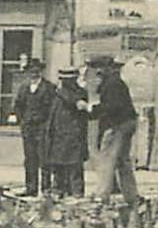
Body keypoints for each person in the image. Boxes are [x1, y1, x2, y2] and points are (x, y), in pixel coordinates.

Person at [88, 55, 139, 205]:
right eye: (96, 67)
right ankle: (131, 196)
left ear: (108, 68)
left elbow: (112, 108)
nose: (98, 71)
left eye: (100, 68)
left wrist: (92, 109)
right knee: (123, 162)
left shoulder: (111, 84)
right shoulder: (116, 82)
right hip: (127, 123)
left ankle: (102, 195)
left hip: (117, 125)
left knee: (107, 159)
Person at [10, 58, 55, 196]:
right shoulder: (24, 88)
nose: (33, 73)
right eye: (31, 70)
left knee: (44, 159)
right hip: (28, 129)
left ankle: (46, 189)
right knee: (30, 159)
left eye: (36, 70)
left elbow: (53, 109)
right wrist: (22, 121)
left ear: (41, 71)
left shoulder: (49, 87)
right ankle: (31, 188)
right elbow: (18, 105)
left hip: (43, 129)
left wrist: (47, 125)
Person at [44, 66, 90, 197]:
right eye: (63, 80)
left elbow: (74, 101)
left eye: (68, 80)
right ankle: (59, 191)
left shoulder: (78, 93)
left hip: (73, 135)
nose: (65, 82)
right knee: (58, 168)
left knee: (75, 167)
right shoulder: (56, 94)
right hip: (57, 135)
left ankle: (76, 193)